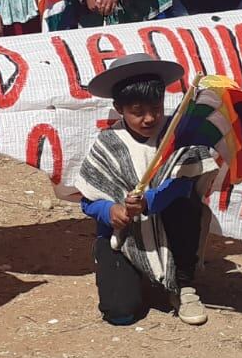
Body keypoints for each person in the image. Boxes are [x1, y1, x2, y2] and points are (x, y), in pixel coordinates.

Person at [72, 54, 214, 326]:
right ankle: (122, 264)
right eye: (138, 111)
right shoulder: (107, 144)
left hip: (171, 227)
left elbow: (184, 182)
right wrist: (109, 210)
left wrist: (149, 201)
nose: (149, 118)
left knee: (185, 206)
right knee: (121, 314)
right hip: (124, 235)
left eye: (156, 108)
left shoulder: (177, 135)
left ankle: (183, 284)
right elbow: (88, 200)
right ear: (119, 108)